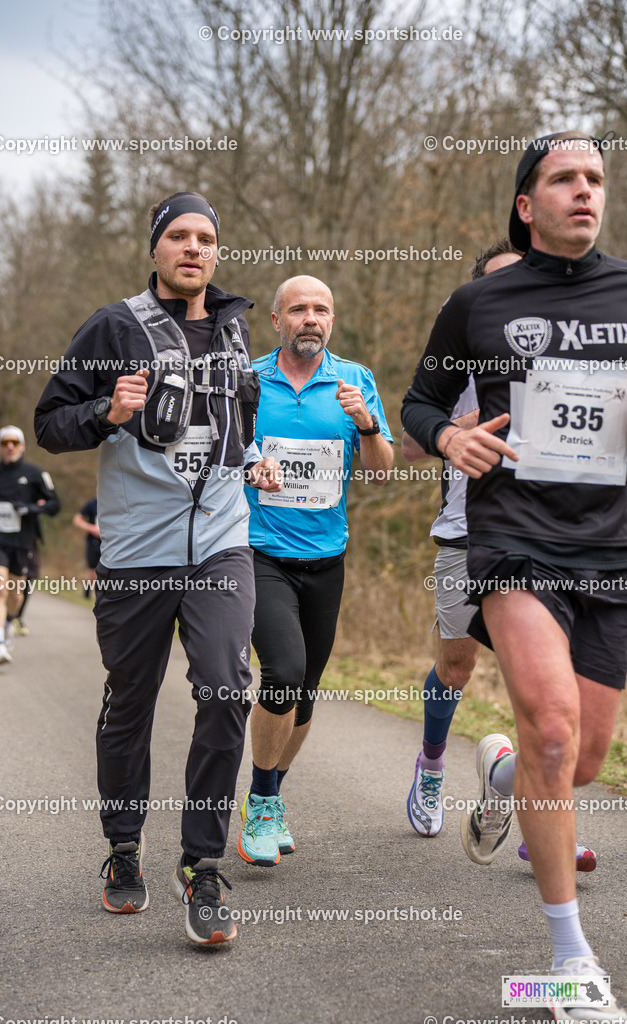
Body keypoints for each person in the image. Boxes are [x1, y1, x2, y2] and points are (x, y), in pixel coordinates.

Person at [402, 132, 626, 1020]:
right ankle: (567, 965)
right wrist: (447, 436)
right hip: (513, 539)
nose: (585, 191)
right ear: (526, 205)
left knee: (584, 759)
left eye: (596, 179)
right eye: (564, 179)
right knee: (551, 732)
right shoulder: (478, 303)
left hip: (611, 550)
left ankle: (497, 776)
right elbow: (421, 398)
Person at [35, 190, 281, 947]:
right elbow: (50, 423)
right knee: (130, 700)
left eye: (205, 238)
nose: (193, 249)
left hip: (220, 543)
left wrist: (257, 462)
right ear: (155, 249)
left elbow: (235, 430)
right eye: (178, 236)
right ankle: (121, 848)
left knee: (225, 684)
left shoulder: (236, 330)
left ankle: (203, 864)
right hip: (137, 552)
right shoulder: (113, 326)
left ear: (216, 252)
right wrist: (105, 414)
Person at [403, 239, 597, 873]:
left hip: (555, 540)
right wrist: (450, 435)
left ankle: (528, 800)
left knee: (551, 693)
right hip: (468, 533)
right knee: (456, 668)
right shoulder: (458, 354)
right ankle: (433, 765)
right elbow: (410, 442)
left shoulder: (575, 355)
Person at [237, 275, 393, 867]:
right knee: (283, 669)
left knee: (303, 696)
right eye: (298, 308)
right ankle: (260, 799)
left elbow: (380, 471)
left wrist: (368, 426)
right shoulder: (249, 380)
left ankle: (270, 798)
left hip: (327, 559)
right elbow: (223, 456)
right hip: (259, 551)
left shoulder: (356, 381)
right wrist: (251, 472)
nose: (310, 318)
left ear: (332, 319)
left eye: (321, 309)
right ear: (276, 319)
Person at [0, 427, 60, 665]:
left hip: (22, 541)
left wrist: (32, 509)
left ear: (22, 445)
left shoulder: (35, 473)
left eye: (14, 442)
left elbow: (55, 504)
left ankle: (11, 620)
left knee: (15, 595)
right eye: (5, 442)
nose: (9, 446)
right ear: (0, 446)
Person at [72, 496, 101, 598]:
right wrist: (92, 528)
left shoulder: (115, 504)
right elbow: (77, 520)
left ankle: (101, 594)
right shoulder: (92, 503)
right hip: (93, 541)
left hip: (109, 543)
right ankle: (87, 593)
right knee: (91, 570)